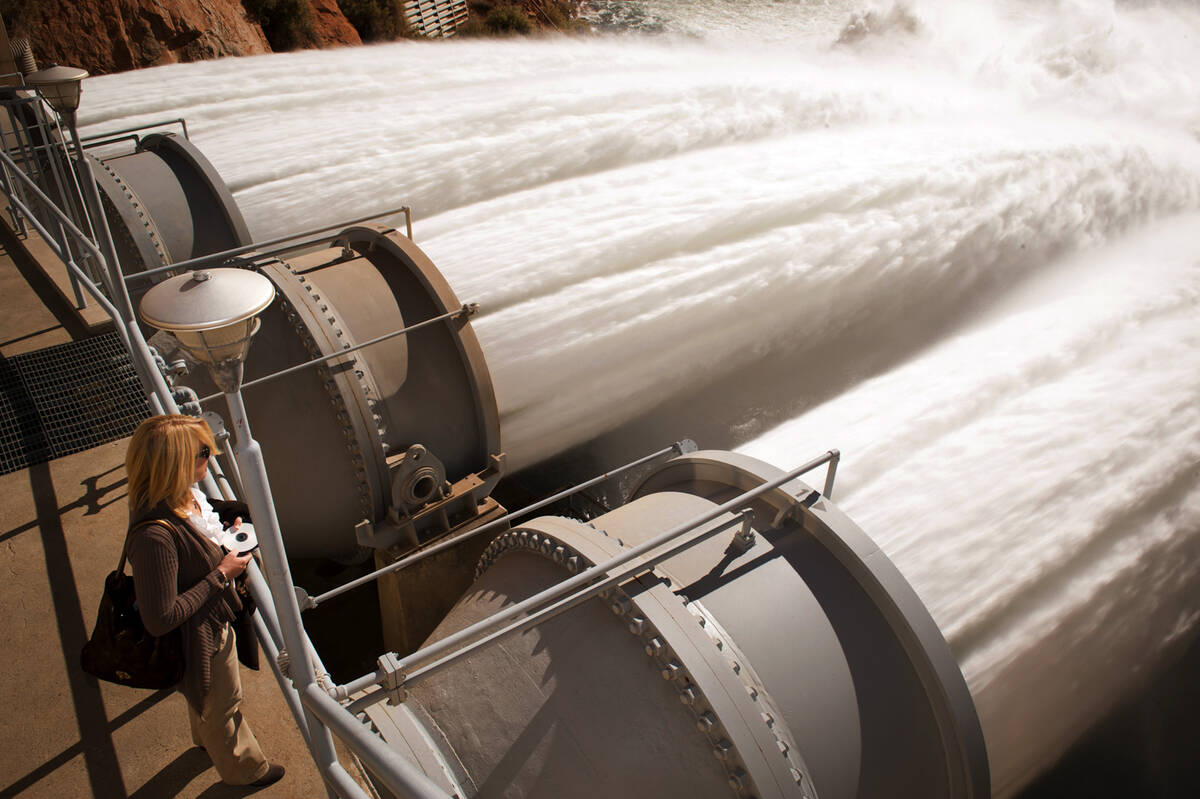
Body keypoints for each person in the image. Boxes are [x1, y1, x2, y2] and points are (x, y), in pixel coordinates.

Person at [124, 414, 285, 787]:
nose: (211, 455)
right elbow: (161, 617)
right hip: (199, 636)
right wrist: (223, 573)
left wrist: (224, 540)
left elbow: (193, 546)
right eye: (203, 451)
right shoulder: (154, 538)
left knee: (204, 698)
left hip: (203, 628)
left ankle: (204, 741)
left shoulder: (179, 497)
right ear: (176, 463)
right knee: (222, 706)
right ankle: (245, 771)